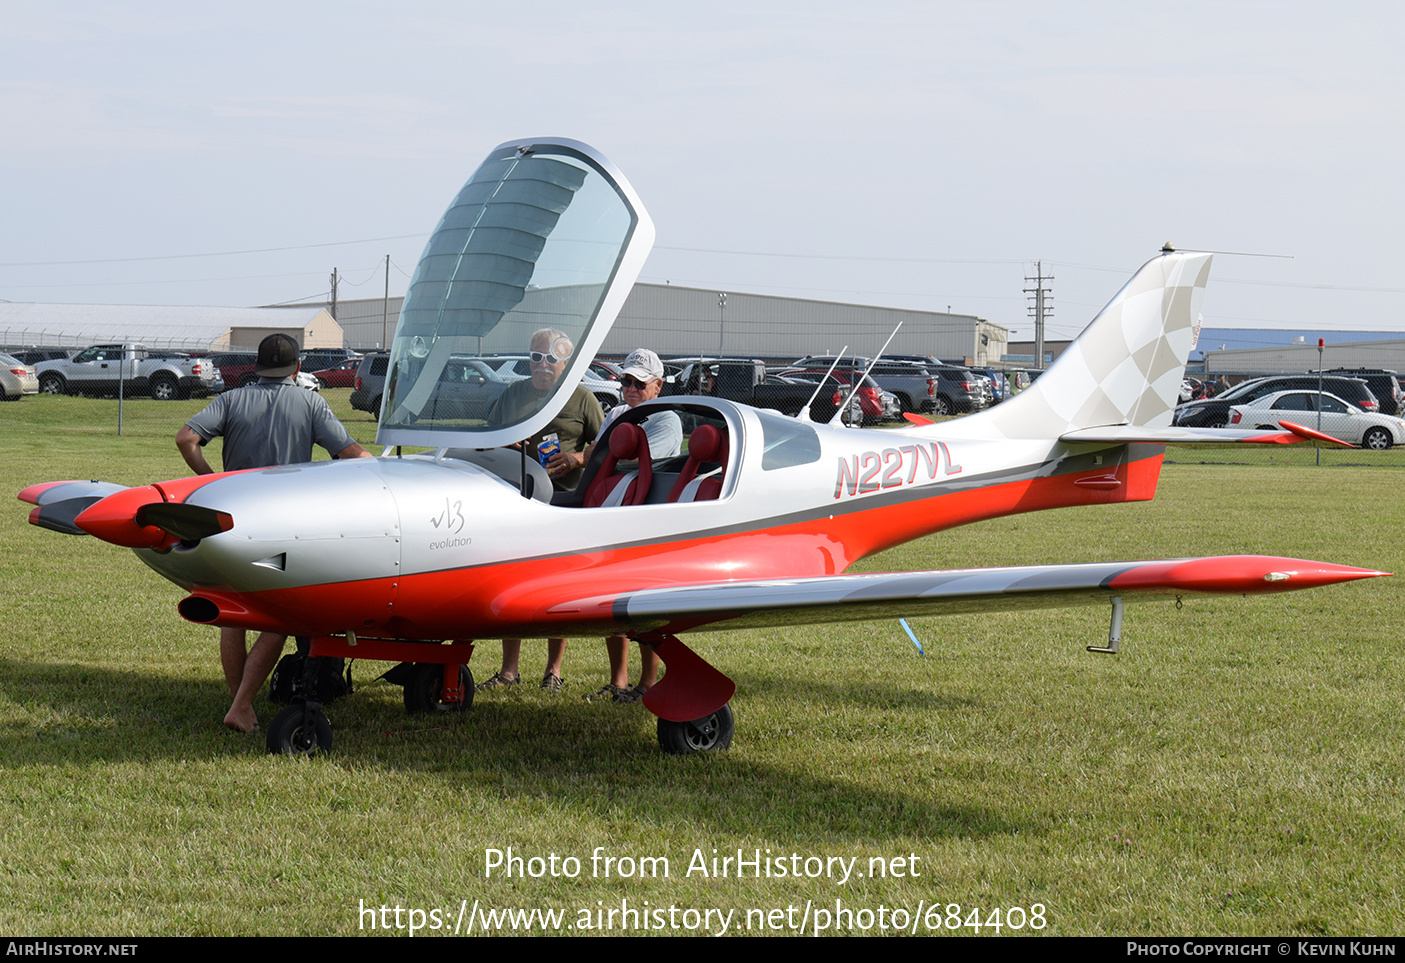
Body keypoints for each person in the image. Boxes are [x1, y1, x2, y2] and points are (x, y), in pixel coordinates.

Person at [175, 333, 372, 732]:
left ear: (259, 367)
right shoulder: (310, 402)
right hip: (284, 522)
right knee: (279, 619)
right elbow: (352, 455)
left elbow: (186, 438)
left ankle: (239, 702)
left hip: (230, 516)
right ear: (297, 369)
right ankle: (243, 704)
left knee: (234, 616)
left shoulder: (232, 399)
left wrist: (212, 480)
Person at [476, 328, 605, 694]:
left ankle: (554, 671)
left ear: (566, 364)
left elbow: (604, 443)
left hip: (562, 503)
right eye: (536, 357)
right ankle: (509, 671)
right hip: (517, 501)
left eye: (551, 358)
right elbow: (488, 434)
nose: (542, 365)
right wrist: (504, 440)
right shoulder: (513, 394)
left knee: (557, 590)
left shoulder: (582, 399)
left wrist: (578, 457)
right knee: (512, 584)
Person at [573, 348, 681, 704]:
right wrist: (600, 455)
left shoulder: (667, 419)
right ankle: (618, 682)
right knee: (611, 601)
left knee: (646, 605)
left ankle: (648, 683)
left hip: (647, 516)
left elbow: (630, 459)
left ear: (657, 387)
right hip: (613, 510)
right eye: (625, 381)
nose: (630, 389)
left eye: (639, 382)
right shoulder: (618, 412)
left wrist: (603, 454)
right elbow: (595, 455)